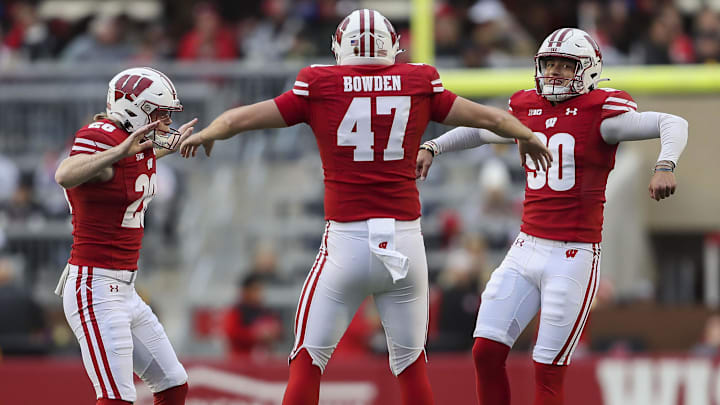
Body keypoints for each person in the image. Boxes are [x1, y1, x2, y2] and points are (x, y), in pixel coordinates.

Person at [179, 9, 551, 405]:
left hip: (346, 242)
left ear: (341, 47)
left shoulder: (319, 83)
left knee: (307, 359)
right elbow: (488, 117)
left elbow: (245, 117)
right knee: (411, 367)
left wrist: (209, 132)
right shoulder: (417, 80)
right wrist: (526, 135)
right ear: (392, 47)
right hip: (406, 243)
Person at [416, 28, 688, 405]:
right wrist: (434, 144)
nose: (555, 72)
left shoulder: (603, 112)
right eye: (550, 63)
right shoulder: (526, 106)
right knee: (485, 352)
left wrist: (665, 163)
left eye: (565, 64)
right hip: (526, 247)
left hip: (573, 257)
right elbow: (483, 130)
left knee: (547, 371)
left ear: (589, 69)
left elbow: (673, 122)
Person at [54, 67, 198, 405]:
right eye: (159, 113)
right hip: (95, 286)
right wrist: (121, 151)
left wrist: (169, 147)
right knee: (116, 398)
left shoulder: (131, 144)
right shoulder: (102, 135)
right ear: (133, 109)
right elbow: (65, 173)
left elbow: (126, 168)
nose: (164, 121)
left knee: (173, 384)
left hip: (125, 288)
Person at [222, 273, 282, 357]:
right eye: (255, 290)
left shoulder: (266, 311)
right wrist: (256, 334)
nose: (259, 294)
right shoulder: (236, 312)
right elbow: (232, 333)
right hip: (241, 361)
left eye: (261, 290)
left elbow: (278, 331)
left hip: (264, 362)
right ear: (246, 291)